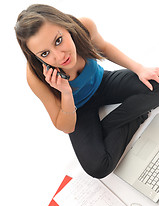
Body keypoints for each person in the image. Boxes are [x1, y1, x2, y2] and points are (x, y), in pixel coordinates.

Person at [15, 4, 159, 179]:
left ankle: (107, 127)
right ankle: (138, 115)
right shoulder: (35, 76)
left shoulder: (84, 27)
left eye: (58, 40)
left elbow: (104, 48)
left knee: (156, 84)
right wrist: (66, 93)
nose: (59, 57)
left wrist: (139, 68)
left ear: (65, 26)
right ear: (36, 57)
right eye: (45, 54)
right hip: (77, 110)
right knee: (98, 167)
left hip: (102, 83)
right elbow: (66, 126)